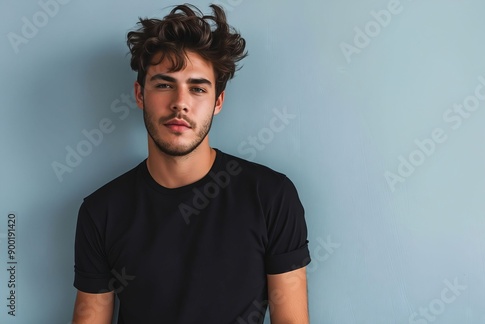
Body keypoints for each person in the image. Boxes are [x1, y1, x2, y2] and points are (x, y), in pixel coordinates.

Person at [72, 4, 310, 323]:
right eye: (165, 84)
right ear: (140, 94)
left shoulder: (271, 197)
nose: (180, 103)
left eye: (197, 88)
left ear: (218, 102)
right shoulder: (101, 212)